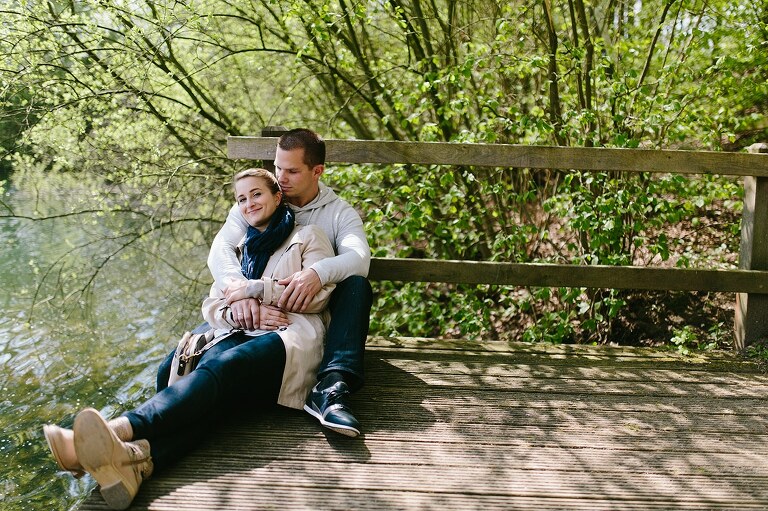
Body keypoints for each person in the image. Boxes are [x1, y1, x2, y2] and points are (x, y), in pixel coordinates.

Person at [42, 168, 336, 510]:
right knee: (196, 374)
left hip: (289, 335)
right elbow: (212, 303)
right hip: (241, 333)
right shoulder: (239, 248)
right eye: (241, 199)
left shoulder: (309, 236)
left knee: (224, 369)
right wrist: (234, 310)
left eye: (256, 193)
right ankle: (137, 460)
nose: (249, 203)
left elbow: (319, 297)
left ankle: (119, 430)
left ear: (276, 196)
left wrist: (259, 293)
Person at [168, 128, 373, 437]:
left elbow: (359, 258)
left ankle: (332, 385)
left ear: (317, 171)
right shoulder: (258, 198)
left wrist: (318, 273)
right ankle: (150, 436)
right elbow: (220, 250)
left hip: (304, 318)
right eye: (278, 167)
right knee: (174, 365)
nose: (281, 176)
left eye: (292, 170)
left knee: (357, 285)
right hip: (253, 311)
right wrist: (241, 294)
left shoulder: (336, 214)